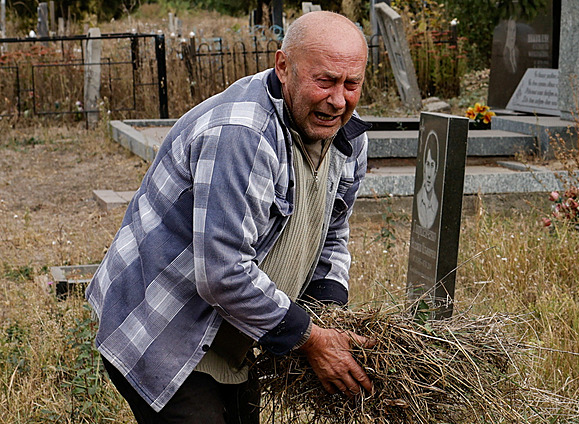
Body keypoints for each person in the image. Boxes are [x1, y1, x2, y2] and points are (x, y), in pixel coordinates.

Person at [86, 10, 374, 424]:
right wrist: (310, 337)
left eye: (352, 84)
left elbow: (331, 232)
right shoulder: (241, 135)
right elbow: (223, 272)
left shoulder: (346, 134)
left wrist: (328, 314)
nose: (338, 99)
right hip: (165, 327)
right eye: (324, 80)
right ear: (283, 66)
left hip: (233, 330)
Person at [416, 130, 439, 229]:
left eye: (432, 165)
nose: (429, 175)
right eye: (427, 164)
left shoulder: (436, 204)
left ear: (436, 169)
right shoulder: (418, 198)